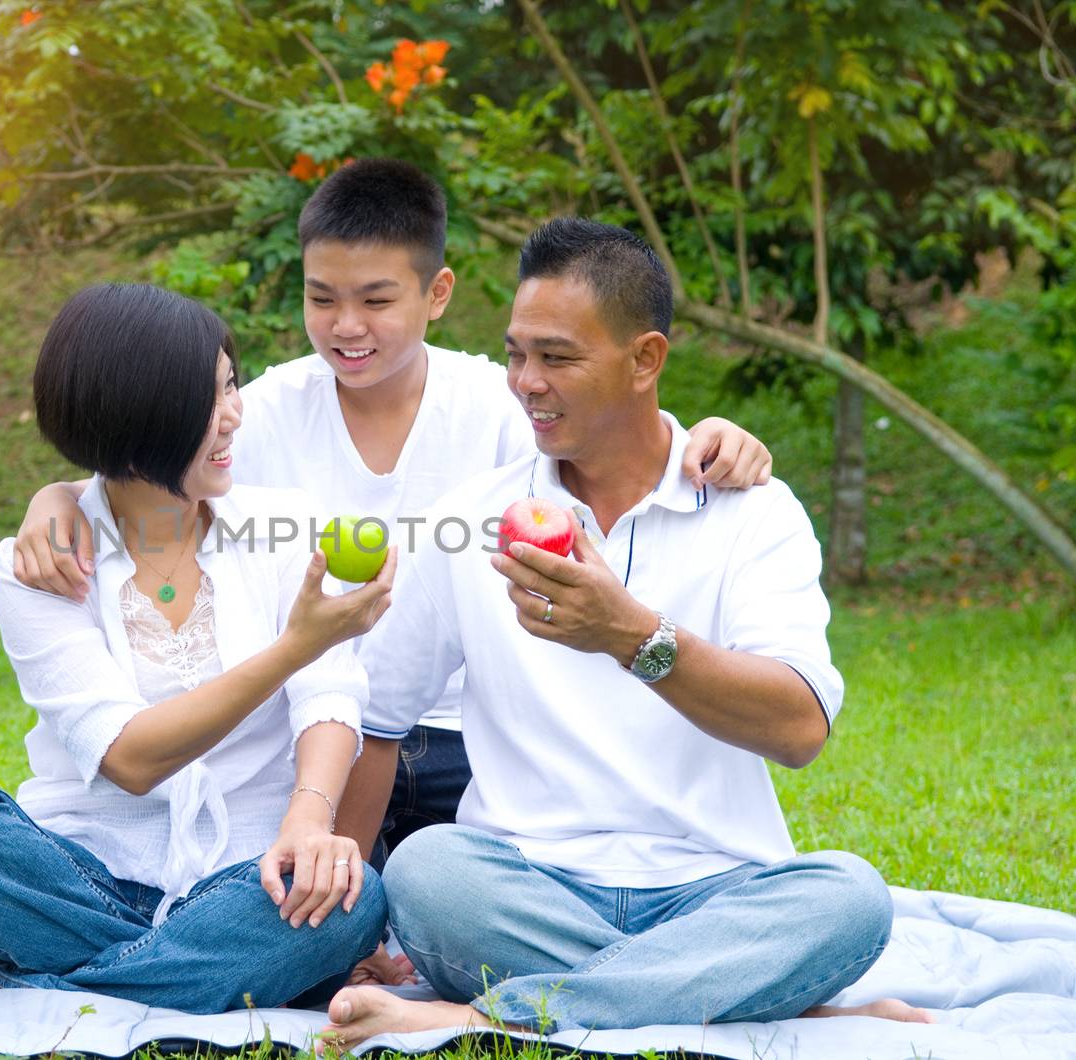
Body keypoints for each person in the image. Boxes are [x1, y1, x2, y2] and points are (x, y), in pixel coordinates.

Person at [9, 161, 773, 933]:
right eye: (321, 298)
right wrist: (62, 497)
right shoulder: (267, 411)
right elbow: (157, 468)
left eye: (376, 300)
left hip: (468, 741)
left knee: (412, 891)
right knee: (344, 901)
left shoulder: (498, 407)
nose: (346, 326)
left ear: (436, 294)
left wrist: (712, 437)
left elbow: (611, 435)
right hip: (316, 742)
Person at [321, 218, 930, 1045]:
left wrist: (630, 635)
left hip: (716, 887)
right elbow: (378, 721)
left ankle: (479, 1014)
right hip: (525, 885)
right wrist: (344, 933)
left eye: (557, 357)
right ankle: (739, 990)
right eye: (515, 354)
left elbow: (797, 729)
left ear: (646, 359)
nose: (526, 382)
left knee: (849, 898)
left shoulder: (753, 513)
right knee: (428, 871)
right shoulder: (470, 520)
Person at [0, 283, 394, 1016]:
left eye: (231, 384)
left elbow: (328, 694)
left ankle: (14, 996)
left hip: (247, 882)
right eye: (209, 401)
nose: (235, 414)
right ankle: (173, 980)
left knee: (355, 895)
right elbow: (130, 757)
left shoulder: (286, 523)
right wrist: (296, 646)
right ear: (138, 417)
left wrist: (308, 822)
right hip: (76, 884)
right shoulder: (42, 563)